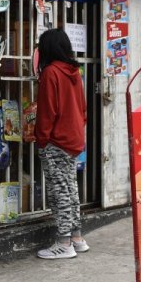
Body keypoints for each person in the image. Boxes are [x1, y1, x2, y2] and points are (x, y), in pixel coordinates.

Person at [34, 28, 90, 259]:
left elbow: (48, 111)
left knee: (59, 192)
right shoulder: (74, 72)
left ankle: (64, 242)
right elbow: (83, 108)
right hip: (73, 138)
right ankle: (77, 238)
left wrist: (42, 139)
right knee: (70, 188)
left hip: (56, 140)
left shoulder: (51, 72)